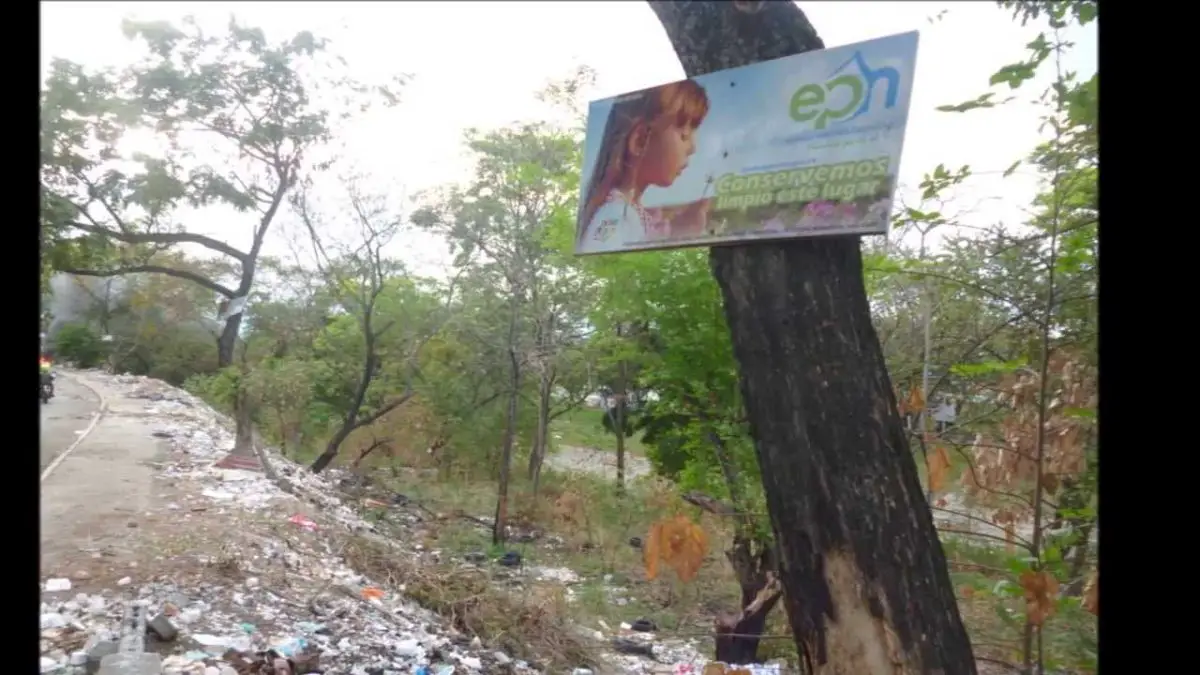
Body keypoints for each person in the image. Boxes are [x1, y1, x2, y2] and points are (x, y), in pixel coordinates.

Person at [577, 80, 712, 254]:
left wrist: (681, 229)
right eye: (684, 136)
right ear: (640, 141)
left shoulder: (628, 212)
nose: (693, 148)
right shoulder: (616, 215)